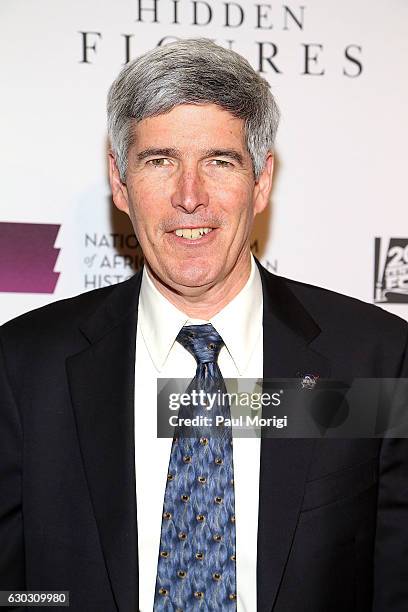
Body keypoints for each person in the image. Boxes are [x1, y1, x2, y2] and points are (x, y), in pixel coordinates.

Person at [1, 38, 407, 612]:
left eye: (219, 161)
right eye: (160, 160)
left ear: (261, 181)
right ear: (120, 182)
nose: (190, 197)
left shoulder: (374, 359)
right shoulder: (23, 366)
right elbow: (16, 590)